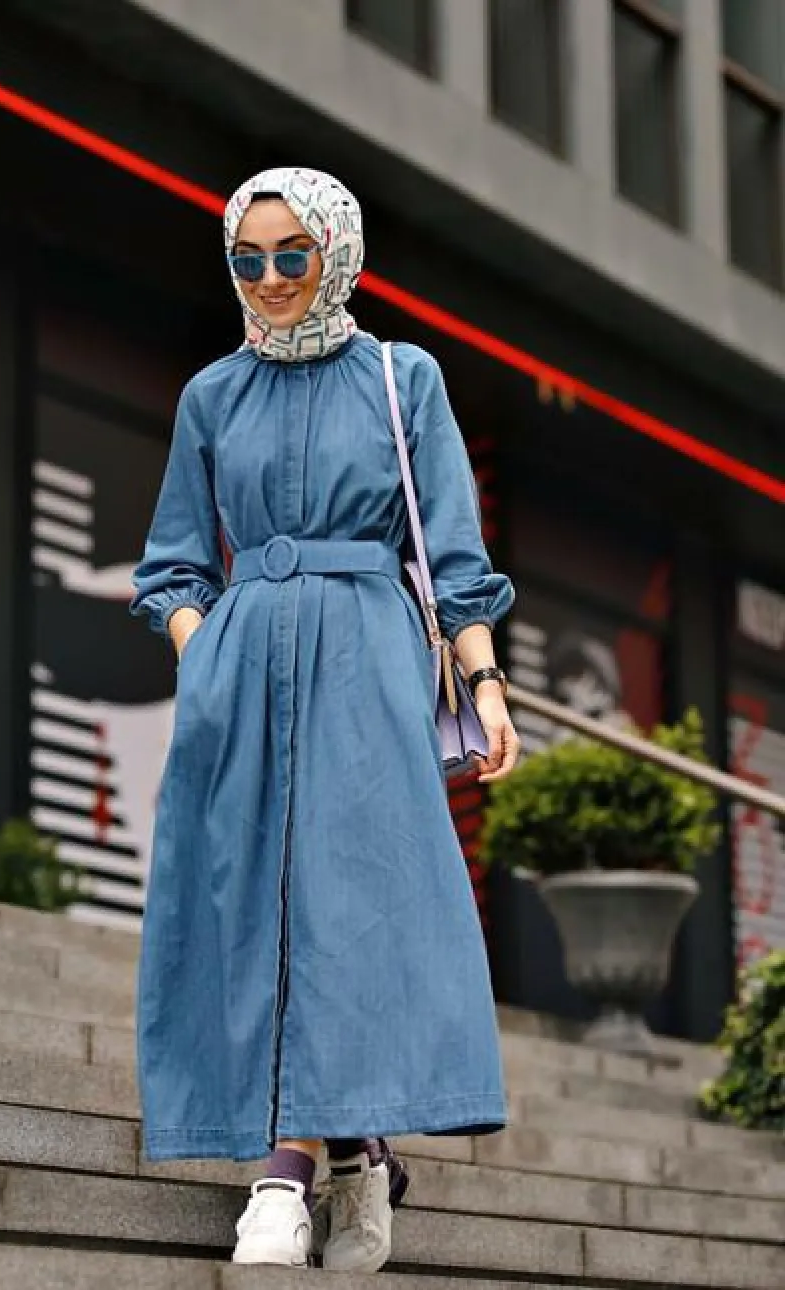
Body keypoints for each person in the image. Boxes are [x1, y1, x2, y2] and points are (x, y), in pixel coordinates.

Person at [129, 166, 520, 1271]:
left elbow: (454, 553)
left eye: (291, 255)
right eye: (247, 259)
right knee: (254, 895)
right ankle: (357, 1153)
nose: (269, 278)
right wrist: (206, 651)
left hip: (366, 658)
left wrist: (486, 683)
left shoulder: (404, 377)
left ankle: (284, 1174)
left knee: (351, 901)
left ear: (337, 253)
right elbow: (172, 564)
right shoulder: (212, 395)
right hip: (244, 668)